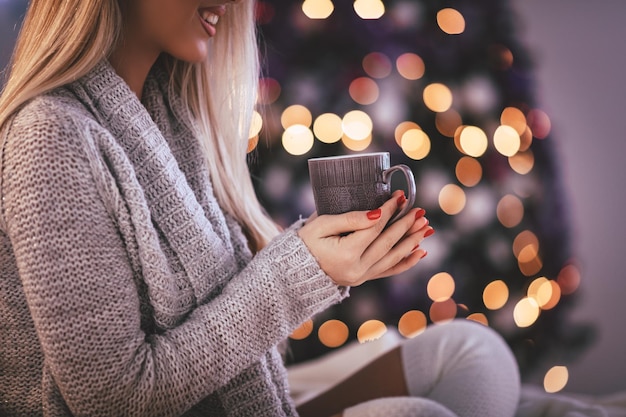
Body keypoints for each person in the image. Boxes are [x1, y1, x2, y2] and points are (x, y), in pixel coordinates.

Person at [0, 0, 520, 416]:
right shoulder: (50, 136)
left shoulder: (169, 117)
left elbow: (226, 318)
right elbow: (113, 400)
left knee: (479, 357)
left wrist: (332, 254)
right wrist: (299, 272)